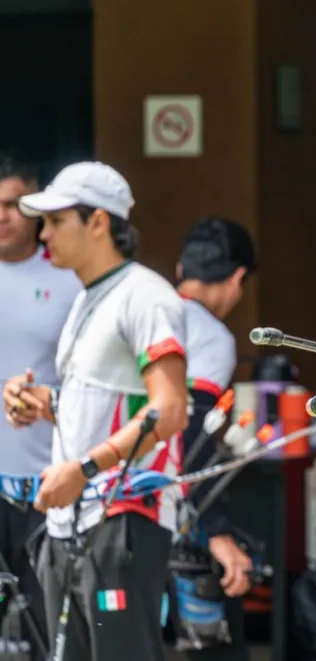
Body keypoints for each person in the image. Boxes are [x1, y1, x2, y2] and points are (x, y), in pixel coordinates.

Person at [1, 161, 188, 661]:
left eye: (57, 221)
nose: (45, 234)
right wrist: (43, 404)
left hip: (122, 517)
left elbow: (168, 412)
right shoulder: (87, 297)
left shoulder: (145, 295)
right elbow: (106, 406)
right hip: (72, 520)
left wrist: (83, 470)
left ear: (99, 222)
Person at [0, 154, 81, 659]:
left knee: (44, 630)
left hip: (45, 485)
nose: (2, 215)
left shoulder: (71, 281)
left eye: (12, 204)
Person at [173, 216, 258, 661]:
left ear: (180, 270)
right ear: (238, 278)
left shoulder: (145, 311)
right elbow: (191, 430)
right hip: (170, 516)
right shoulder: (210, 336)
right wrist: (218, 533)